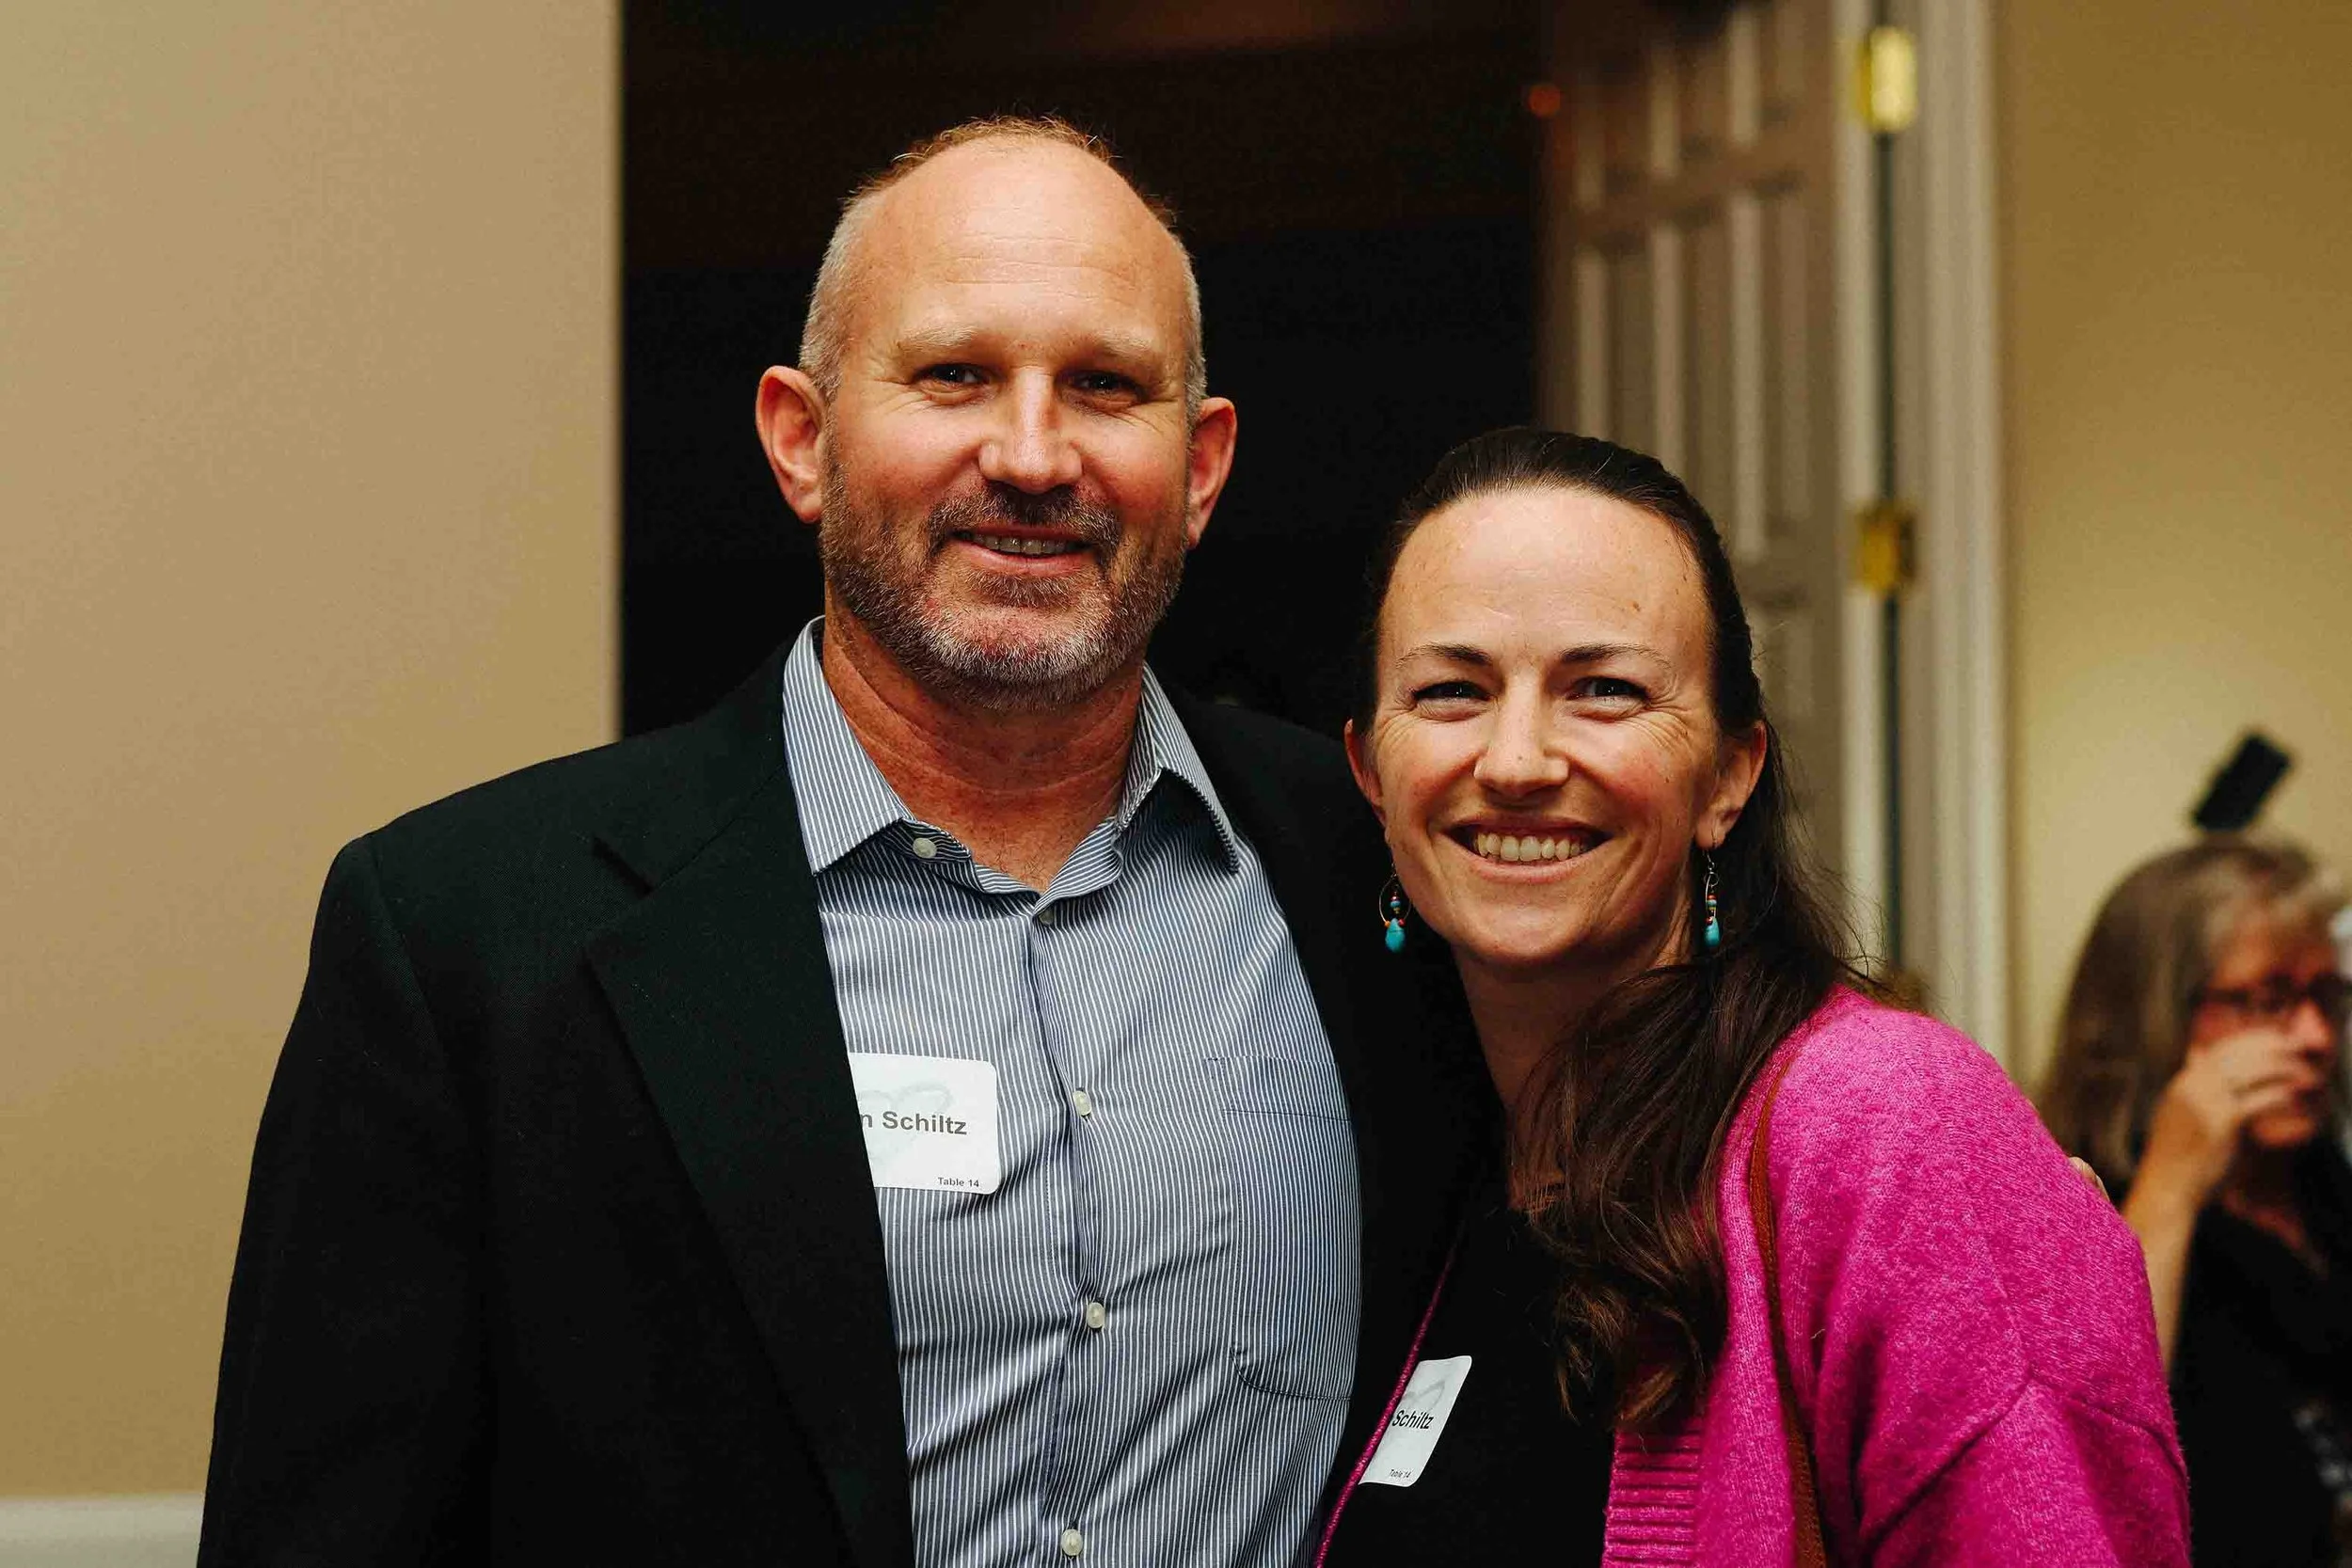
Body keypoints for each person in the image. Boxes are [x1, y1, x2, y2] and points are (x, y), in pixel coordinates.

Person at [197, 118, 1486, 1567]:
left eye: (1105, 386)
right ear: (800, 440)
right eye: (954, 375)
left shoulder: (1377, 867)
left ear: (1201, 465)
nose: (1032, 452)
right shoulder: (469, 938)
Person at [1322, 428, 2189, 1565]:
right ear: (1372, 776)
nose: (1518, 758)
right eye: (1451, 689)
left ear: (1729, 775)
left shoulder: (1887, 1124)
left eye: (1604, 689)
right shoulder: (1419, 1176)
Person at [2041, 839, 2352, 1566]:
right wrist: (2175, 1177)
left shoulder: (2323, 1182)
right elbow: (2088, 1454)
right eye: (2268, 998)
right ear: (2154, 1014)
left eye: (2325, 997)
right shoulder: (2081, 1195)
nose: (2315, 1036)